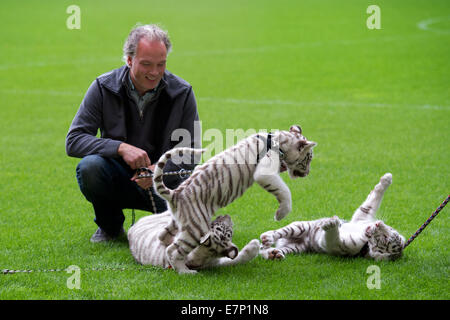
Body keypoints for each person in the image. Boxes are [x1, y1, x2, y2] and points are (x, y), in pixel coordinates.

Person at [66, 24, 201, 243]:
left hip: (165, 183)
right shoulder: (103, 87)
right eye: (146, 64)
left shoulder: (182, 92)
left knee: (178, 237)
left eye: (161, 64)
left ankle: (170, 222)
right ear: (129, 60)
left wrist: (158, 171)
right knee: (90, 167)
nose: (155, 72)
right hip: (118, 177)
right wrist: (120, 148)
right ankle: (110, 226)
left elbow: (192, 153)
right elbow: (74, 140)